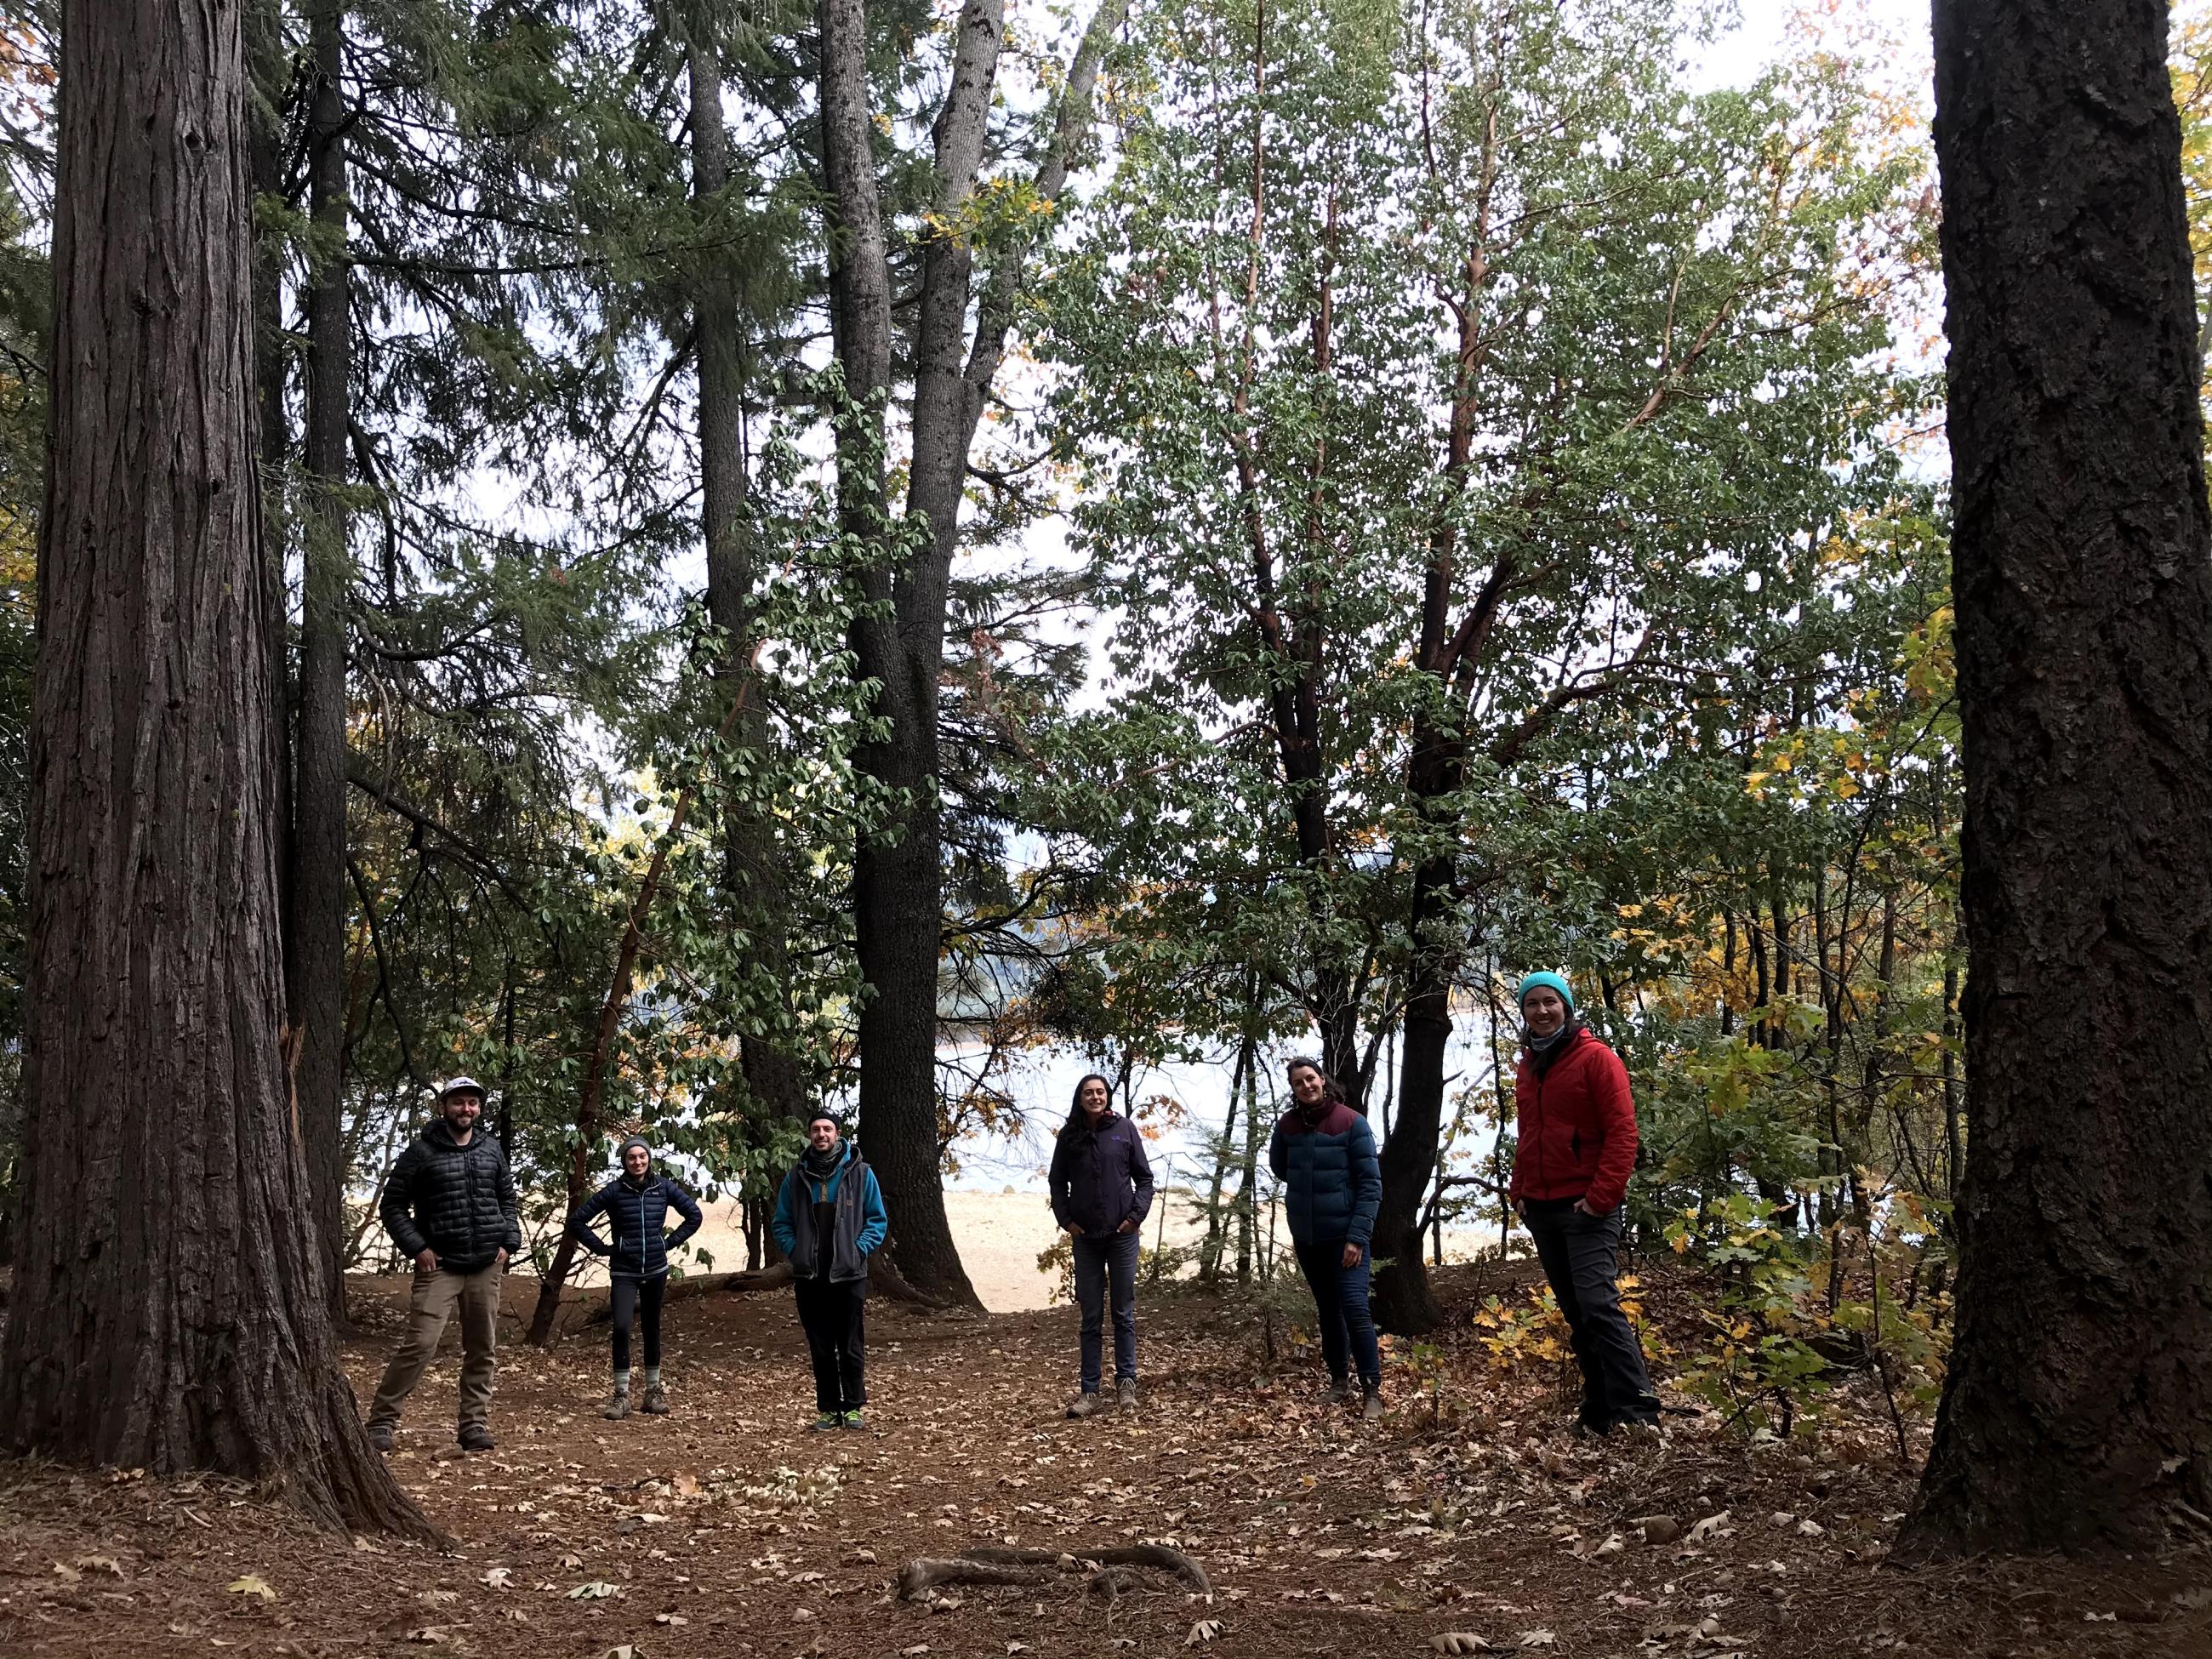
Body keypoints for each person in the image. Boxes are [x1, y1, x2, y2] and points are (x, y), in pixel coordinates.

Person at [1507, 971, 1661, 1437]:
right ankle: (1598, 1413)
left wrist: (1600, 1199)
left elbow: (1623, 1133)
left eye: (1550, 1001)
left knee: (1598, 1304)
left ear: (1566, 1007)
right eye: (1532, 1004)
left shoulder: (1597, 1059)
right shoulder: (1529, 1065)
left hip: (1586, 1207)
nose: (1542, 1010)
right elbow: (1530, 1134)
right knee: (1576, 1312)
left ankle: (1638, 1413)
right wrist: (1519, 1190)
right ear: (1525, 1012)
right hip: (1542, 1206)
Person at [365, 1077, 522, 1454]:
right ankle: (381, 1423)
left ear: (479, 1109)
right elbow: (392, 1205)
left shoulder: (491, 1150)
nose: (465, 1109)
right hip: (440, 1267)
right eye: (458, 1103)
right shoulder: (421, 1152)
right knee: (420, 1344)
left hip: (486, 1264)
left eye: (472, 1103)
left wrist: (508, 1241)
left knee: (482, 1347)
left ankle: (473, 1425)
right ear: (444, 1107)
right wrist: (417, 1247)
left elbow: (507, 1198)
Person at [1268, 1057, 1385, 1421]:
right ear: (1293, 1090)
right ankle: (1339, 1381)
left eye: (1311, 1078)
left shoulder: (1352, 1123)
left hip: (1346, 1239)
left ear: (1323, 1080)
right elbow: (1279, 1167)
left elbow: (1371, 1185)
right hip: (1309, 1239)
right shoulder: (1287, 1126)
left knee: (1354, 1308)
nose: (1306, 1086)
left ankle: (1372, 1391)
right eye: (1298, 1083)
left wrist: (1357, 1237)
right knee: (1328, 1311)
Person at [566, 1134, 704, 1419]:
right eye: (632, 1157)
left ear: (649, 1159)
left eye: (642, 1157)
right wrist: (605, 1248)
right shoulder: (614, 1191)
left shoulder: (663, 1188)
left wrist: (667, 1243)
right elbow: (577, 1220)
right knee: (621, 1327)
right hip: (623, 1271)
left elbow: (694, 1215)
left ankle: (653, 1392)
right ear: (625, 1161)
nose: (638, 1162)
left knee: (652, 1328)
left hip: (656, 1269)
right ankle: (621, 1395)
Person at [771, 1110, 888, 1431]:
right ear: (809, 1135)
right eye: (816, 1129)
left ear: (838, 1133)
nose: (821, 1134)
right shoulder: (796, 1177)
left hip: (849, 1275)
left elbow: (877, 1220)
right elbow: (781, 1222)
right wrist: (795, 1251)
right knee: (821, 1347)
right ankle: (828, 1409)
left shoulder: (861, 1174)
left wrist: (857, 1249)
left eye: (827, 1129)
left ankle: (853, 1407)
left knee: (850, 1344)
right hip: (810, 1277)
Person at [1048, 1072, 1156, 1418]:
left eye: (1100, 1092)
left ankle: (1127, 1386)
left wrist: (1134, 1218)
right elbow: (1056, 1183)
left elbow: (1145, 1179)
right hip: (1087, 1241)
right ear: (1080, 1099)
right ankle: (1089, 1392)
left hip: (1122, 1238)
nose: (1095, 1097)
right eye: (1088, 1093)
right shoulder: (1069, 1136)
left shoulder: (1124, 1130)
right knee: (1090, 1317)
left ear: (1107, 1096)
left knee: (1123, 1314)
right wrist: (1067, 1222)